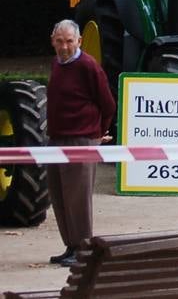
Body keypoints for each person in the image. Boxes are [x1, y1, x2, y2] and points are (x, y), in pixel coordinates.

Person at [45, 19, 115, 267]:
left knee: (78, 197)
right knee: (59, 195)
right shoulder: (56, 64)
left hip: (81, 138)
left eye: (69, 41)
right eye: (60, 41)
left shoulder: (88, 66)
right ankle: (71, 245)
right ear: (53, 41)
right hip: (56, 139)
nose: (64, 47)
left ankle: (84, 249)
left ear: (79, 42)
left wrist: (98, 132)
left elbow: (107, 103)